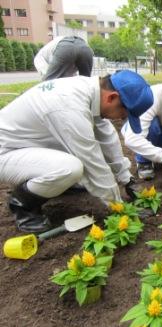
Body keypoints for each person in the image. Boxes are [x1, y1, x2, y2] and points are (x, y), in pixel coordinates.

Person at [0, 70, 153, 233]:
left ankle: (56, 185)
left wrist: (127, 179)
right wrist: (119, 208)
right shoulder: (69, 106)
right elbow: (93, 165)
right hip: (6, 152)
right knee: (71, 168)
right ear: (112, 98)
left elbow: (107, 138)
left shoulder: (90, 92)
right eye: (124, 115)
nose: (120, 119)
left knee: (79, 170)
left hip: (27, 145)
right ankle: (23, 206)